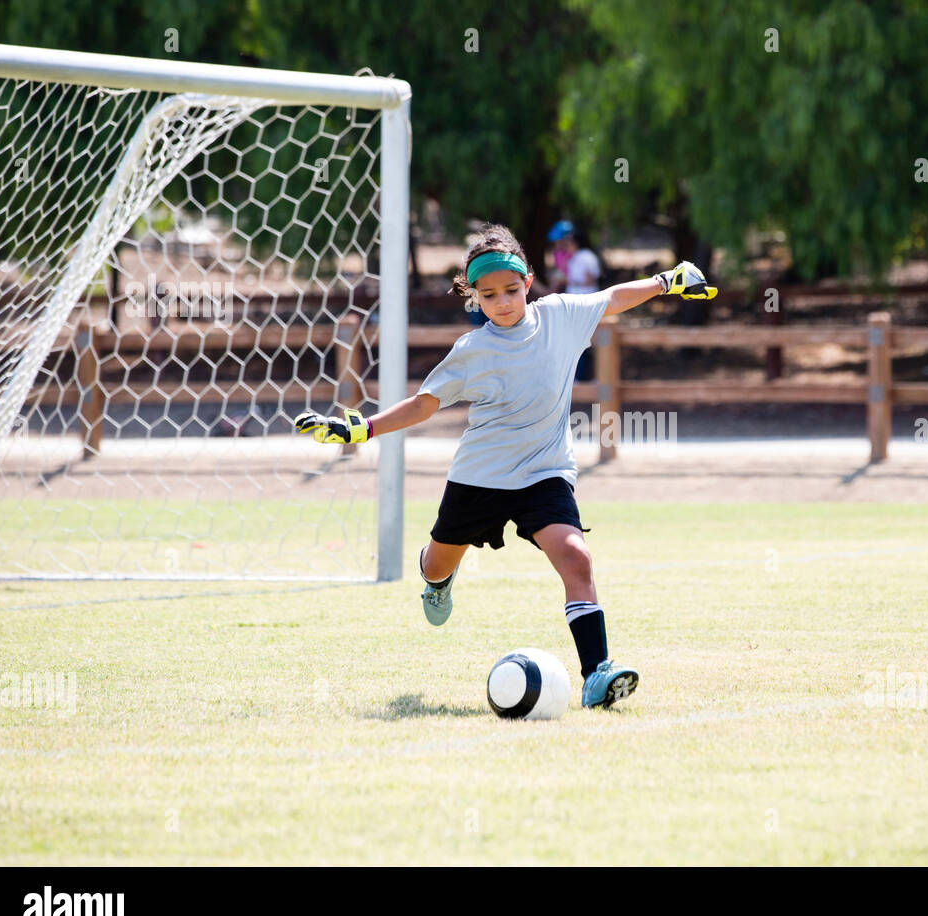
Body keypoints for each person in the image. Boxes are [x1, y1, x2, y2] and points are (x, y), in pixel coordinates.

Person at [294, 223, 717, 709]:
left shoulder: (560, 315)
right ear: (473, 296)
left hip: (545, 471)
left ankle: (597, 674)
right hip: (480, 477)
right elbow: (423, 404)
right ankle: (436, 579)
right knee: (435, 566)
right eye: (488, 294)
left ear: (530, 280)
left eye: (512, 290)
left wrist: (669, 280)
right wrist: (361, 428)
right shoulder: (472, 352)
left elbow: (615, 296)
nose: (503, 302)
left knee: (576, 557)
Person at [547, 220, 601, 380]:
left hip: (586, 304)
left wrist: (568, 281)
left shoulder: (586, 257)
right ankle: (577, 376)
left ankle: (586, 376)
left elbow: (589, 280)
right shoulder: (571, 258)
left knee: (586, 341)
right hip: (573, 305)